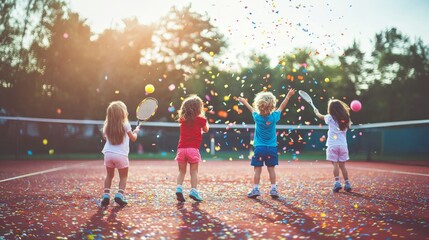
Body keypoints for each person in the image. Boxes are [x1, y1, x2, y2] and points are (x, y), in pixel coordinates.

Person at [238, 88, 296, 199]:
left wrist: (244, 102)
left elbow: (251, 109)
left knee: (257, 169)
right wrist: (288, 96)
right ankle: (273, 189)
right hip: (272, 148)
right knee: (271, 169)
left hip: (259, 148)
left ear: (258, 105)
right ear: (272, 105)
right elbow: (282, 106)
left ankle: (255, 189)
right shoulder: (274, 117)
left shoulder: (257, 117)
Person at [100, 101, 140, 207]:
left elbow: (105, 137)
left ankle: (106, 195)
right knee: (123, 177)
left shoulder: (107, 125)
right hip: (121, 155)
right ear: (122, 112)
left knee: (109, 175)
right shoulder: (126, 124)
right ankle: (119, 195)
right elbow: (133, 139)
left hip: (108, 154)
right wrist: (136, 132)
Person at [175, 95, 209, 202]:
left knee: (181, 171)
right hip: (193, 150)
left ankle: (179, 188)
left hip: (181, 149)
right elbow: (206, 129)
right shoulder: (201, 120)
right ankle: (194, 191)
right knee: (194, 171)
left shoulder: (182, 119)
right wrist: (205, 122)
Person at [314, 99, 352, 192]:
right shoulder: (346, 119)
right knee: (342, 166)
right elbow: (348, 126)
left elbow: (320, 116)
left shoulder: (329, 117)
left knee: (335, 164)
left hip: (332, 145)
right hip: (343, 145)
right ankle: (347, 183)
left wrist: (316, 112)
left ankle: (337, 182)